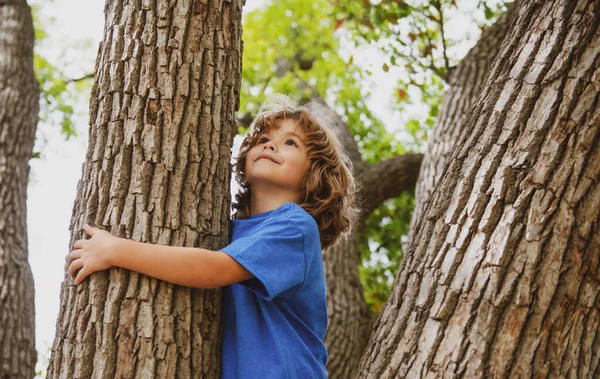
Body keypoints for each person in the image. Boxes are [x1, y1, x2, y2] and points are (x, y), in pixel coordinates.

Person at [65, 93, 357, 378]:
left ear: (314, 174)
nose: (270, 146)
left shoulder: (295, 226)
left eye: (290, 143)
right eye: (263, 140)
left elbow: (213, 269)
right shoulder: (228, 230)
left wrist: (116, 251)